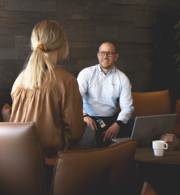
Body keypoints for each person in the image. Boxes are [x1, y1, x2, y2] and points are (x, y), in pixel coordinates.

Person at [8, 19, 86, 161]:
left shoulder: (20, 78)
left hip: (15, 158)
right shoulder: (67, 81)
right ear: (63, 45)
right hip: (52, 163)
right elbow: (75, 133)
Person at [77, 42, 134, 147]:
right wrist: (84, 115)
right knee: (91, 135)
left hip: (112, 119)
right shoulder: (86, 73)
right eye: (102, 53)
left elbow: (127, 107)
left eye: (109, 53)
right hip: (89, 118)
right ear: (98, 55)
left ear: (116, 57)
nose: (105, 56)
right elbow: (75, 99)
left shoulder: (123, 78)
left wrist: (118, 124)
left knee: (135, 127)